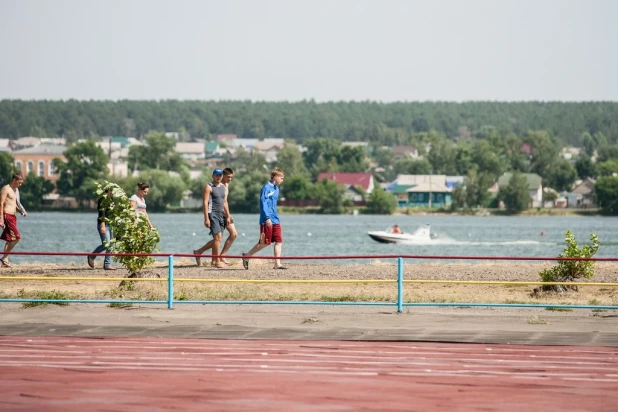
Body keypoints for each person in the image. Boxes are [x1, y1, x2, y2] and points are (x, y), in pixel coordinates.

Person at [242, 168, 286, 270]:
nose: (282, 180)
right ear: (275, 177)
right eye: (281, 178)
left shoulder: (277, 189)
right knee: (265, 243)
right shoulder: (266, 188)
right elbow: (263, 204)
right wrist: (267, 218)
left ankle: (277, 263)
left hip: (276, 219)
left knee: (279, 241)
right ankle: (247, 255)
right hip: (267, 220)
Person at [193, 168, 237, 266]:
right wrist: (206, 218)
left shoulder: (222, 186)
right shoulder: (209, 187)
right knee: (218, 237)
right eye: (216, 175)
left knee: (218, 238)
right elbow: (205, 202)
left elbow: (224, 202)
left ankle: (199, 252)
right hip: (212, 214)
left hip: (221, 215)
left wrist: (228, 215)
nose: (218, 177)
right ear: (213, 176)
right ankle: (217, 261)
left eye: (220, 175)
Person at [87, 187, 117, 270]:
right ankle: (92, 256)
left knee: (110, 245)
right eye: (112, 191)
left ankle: (107, 265)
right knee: (105, 245)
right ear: (108, 190)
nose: (114, 193)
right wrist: (103, 225)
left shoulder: (112, 200)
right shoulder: (103, 199)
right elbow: (102, 213)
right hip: (104, 225)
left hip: (111, 224)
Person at [0, 173, 25, 268]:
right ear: (14, 180)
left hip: (13, 217)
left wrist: (21, 211)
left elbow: (13, 204)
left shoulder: (15, 190)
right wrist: (1, 218)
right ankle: (4, 258)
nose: (20, 184)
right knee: (17, 237)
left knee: (10, 239)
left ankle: (4, 260)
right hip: (7, 216)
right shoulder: (6, 189)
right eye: (19, 182)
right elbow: (1, 203)